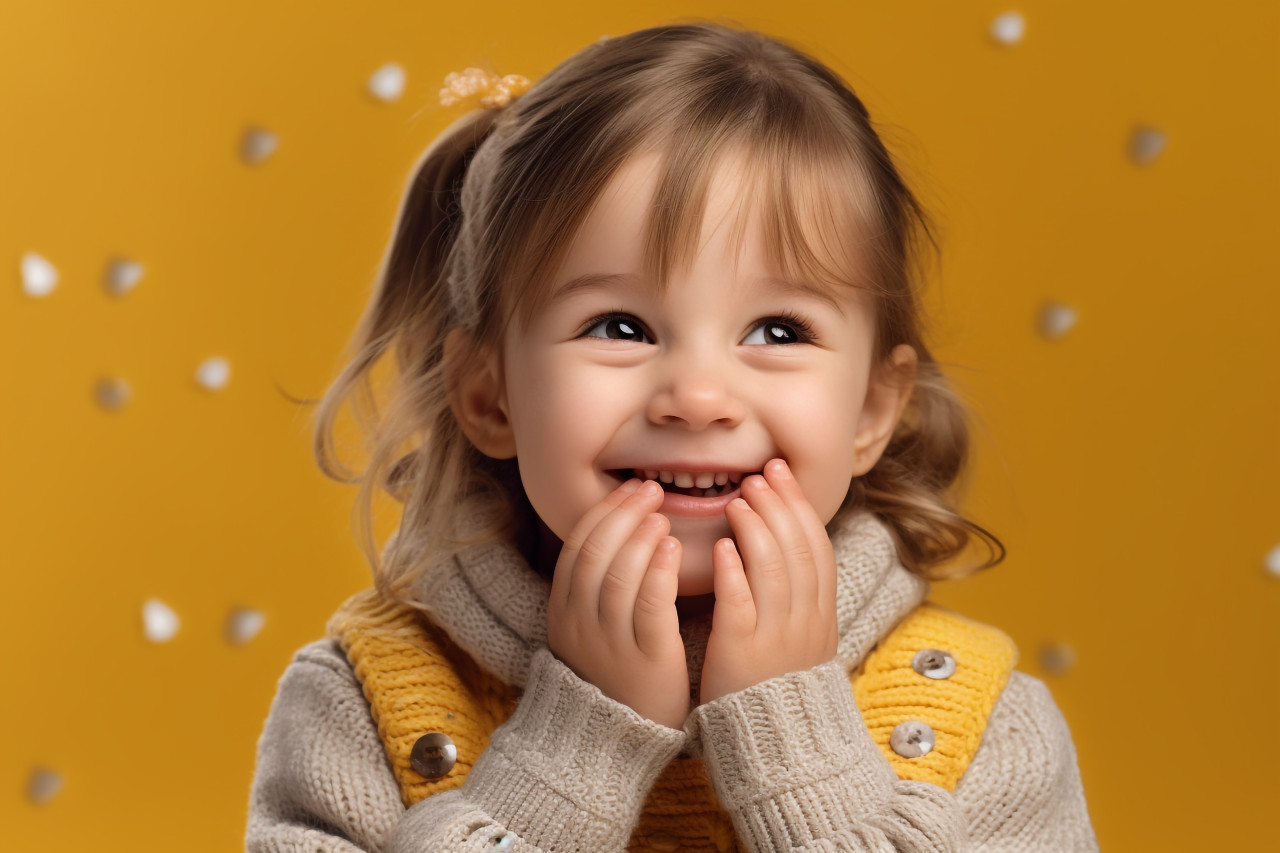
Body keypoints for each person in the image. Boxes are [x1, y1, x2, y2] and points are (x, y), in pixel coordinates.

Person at [246, 21, 1098, 852]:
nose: (697, 397)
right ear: (489, 395)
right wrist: (574, 748)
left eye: (776, 331)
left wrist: (797, 743)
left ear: (872, 410)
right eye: (619, 326)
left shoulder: (983, 725)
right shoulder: (357, 705)